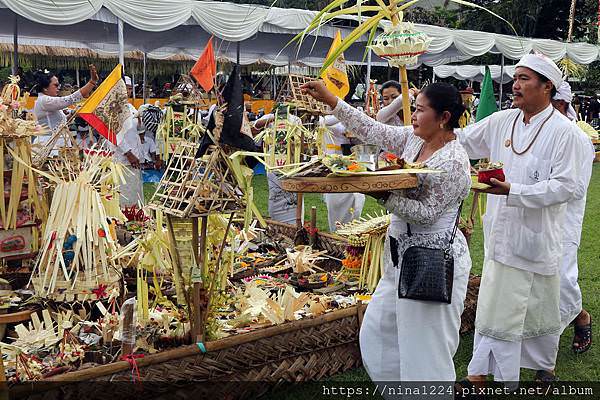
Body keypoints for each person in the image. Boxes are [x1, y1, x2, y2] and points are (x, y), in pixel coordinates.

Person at [301, 80, 472, 387]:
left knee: (426, 356)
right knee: (377, 337)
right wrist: (331, 99)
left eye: (420, 110)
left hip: (432, 263)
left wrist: (382, 194)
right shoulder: (413, 140)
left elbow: (427, 213)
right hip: (398, 258)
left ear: (444, 117)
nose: (413, 116)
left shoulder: (454, 162)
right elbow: (371, 129)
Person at [456, 53, 581, 388]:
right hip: (501, 233)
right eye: (516, 77)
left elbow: (568, 186)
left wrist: (514, 191)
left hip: (539, 235)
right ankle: (478, 373)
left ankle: (545, 367)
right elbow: (463, 140)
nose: (516, 84)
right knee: (496, 302)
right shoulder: (502, 120)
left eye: (525, 78)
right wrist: (429, 128)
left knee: (541, 305)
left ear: (547, 87)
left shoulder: (566, 133)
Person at [551, 81, 594, 354]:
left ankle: (580, 316)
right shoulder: (536, 131)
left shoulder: (576, 138)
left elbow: (575, 188)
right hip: (533, 215)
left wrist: (539, 188)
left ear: (560, 103)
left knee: (562, 279)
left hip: (564, 219)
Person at [253, 108, 304, 225]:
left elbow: (300, 142)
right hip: (273, 166)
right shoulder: (270, 118)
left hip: (291, 165)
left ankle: (293, 223)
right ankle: (277, 222)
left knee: (292, 194)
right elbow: (256, 126)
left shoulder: (296, 120)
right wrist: (273, 118)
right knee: (275, 192)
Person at [32, 65, 98, 149]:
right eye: (56, 85)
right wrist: (92, 82)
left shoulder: (48, 101)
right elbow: (70, 99)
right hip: (49, 147)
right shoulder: (44, 100)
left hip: (58, 144)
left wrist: (73, 113)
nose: (58, 88)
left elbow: (59, 124)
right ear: (45, 88)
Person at [320, 115, 365, 231]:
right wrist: (346, 114)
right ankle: (337, 232)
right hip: (333, 168)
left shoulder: (345, 122)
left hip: (352, 167)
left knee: (356, 202)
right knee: (336, 204)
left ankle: (353, 230)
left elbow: (357, 141)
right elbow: (326, 122)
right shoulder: (324, 118)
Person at [111, 77, 144, 207]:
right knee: (123, 191)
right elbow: (114, 134)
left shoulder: (130, 107)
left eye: (130, 88)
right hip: (123, 159)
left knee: (134, 192)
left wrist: (141, 121)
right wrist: (128, 153)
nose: (129, 91)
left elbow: (137, 129)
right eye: (126, 88)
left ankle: (136, 218)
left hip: (135, 157)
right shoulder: (114, 107)